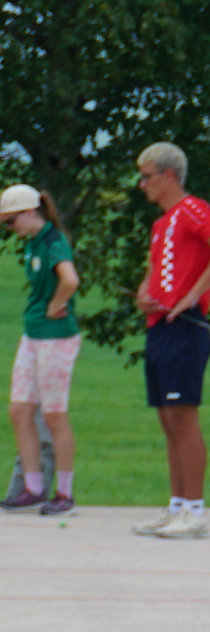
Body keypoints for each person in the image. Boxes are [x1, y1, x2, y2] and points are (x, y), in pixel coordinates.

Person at [129, 145, 210, 538]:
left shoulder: (192, 210)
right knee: (167, 419)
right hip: (160, 325)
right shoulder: (162, 224)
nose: (142, 184)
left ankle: (194, 511)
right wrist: (144, 294)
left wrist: (193, 294)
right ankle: (176, 506)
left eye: (147, 176)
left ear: (169, 175)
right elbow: (154, 271)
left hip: (185, 326)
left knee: (183, 417)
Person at [5, 186, 80, 513]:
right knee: (19, 410)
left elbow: (70, 280)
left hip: (55, 337)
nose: (10, 229)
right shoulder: (34, 243)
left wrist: (56, 304)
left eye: (11, 221)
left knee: (53, 414)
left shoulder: (52, 241)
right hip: (33, 332)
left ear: (28, 212)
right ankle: (33, 487)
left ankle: (64, 494)